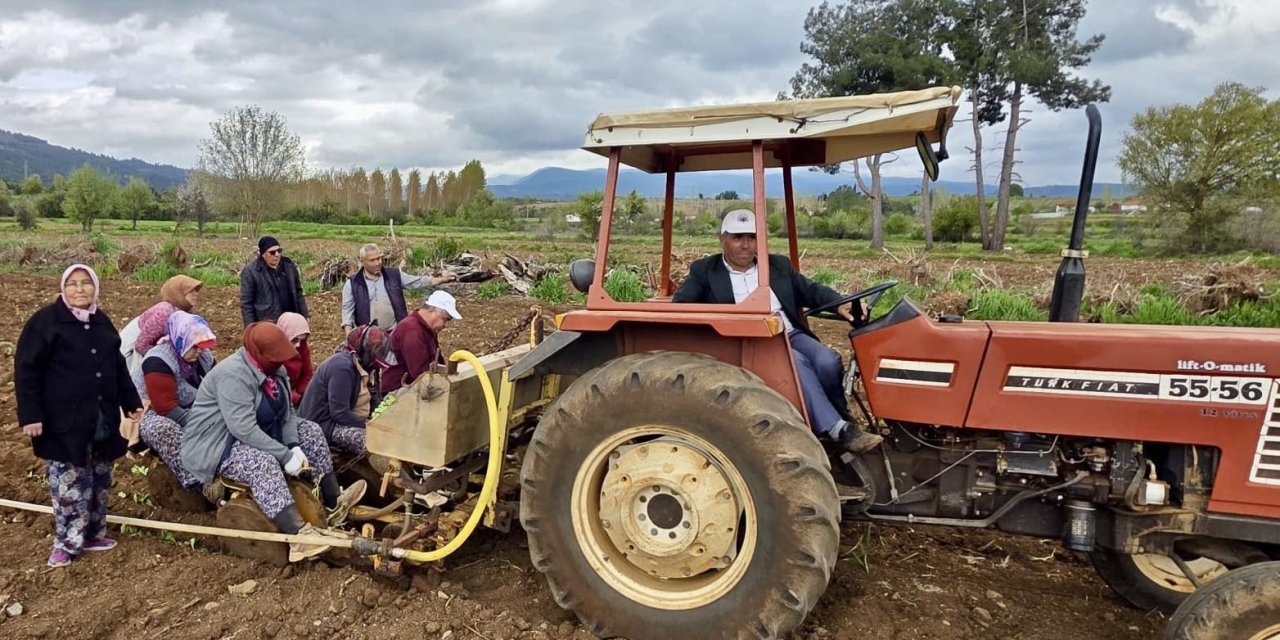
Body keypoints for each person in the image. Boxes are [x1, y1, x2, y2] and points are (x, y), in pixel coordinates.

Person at [673, 209, 883, 454]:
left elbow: (811, 290)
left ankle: (840, 415)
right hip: (750, 343)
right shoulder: (705, 271)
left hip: (790, 333)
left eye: (752, 237)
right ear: (723, 240)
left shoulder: (777, 265)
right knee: (797, 364)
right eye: (738, 237)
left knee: (828, 361)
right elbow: (682, 305)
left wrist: (841, 302)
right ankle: (837, 429)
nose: (745, 245)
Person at [180, 323, 364, 561]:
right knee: (262, 463)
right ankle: (299, 537)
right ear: (259, 354)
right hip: (217, 441)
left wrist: (293, 445)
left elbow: (287, 413)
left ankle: (333, 503)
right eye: (276, 358)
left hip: (262, 427)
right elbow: (242, 428)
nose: (281, 363)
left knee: (311, 431)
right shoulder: (232, 375)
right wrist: (284, 456)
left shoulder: (275, 370)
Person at [15, 264, 145, 568]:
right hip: (63, 422)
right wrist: (30, 415)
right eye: (73, 284)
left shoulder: (102, 323)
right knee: (68, 483)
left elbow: (117, 367)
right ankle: (66, 543)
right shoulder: (46, 323)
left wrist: (131, 402)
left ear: (95, 287)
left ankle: (93, 534)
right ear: (63, 288)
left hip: (100, 417)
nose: (79, 289)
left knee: (100, 477)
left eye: (86, 283)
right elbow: (26, 371)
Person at [134, 311, 218, 489]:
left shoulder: (203, 356)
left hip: (192, 408)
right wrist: (205, 426)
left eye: (202, 345)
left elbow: (219, 382)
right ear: (181, 340)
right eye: (194, 346)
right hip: (152, 413)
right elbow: (167, 409)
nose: (200, 350)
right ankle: (197, 480)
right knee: (163, 430)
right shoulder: (158, 361)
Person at [299, 325, 390, 456]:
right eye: (378, 351)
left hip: (347, 420)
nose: (380, 355)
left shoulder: (367, 366)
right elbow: (339, 413)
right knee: (373, 441)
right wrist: (370, 426)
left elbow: (374, 396)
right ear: (366, 349)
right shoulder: (342, 368)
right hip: (324, 425)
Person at [340, 243, 457, 334]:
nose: (377, 263)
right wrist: (350, 337)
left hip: (395, 333)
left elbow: (416, 281)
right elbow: (347, 313)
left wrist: (441, 279)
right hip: (368, 337)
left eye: (379, 258)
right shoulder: (352, 284)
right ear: (362, 262)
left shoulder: (394, 275)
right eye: (372, 260)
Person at [380, 291, 461, 396]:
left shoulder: (426, 328)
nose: (445, 325)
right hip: (397, 389)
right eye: (445, 320)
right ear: (432, 310)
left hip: (412, 384)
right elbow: (420, 372)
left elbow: (436, 361)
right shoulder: (411, 329)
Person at [239, 235, 309, 326]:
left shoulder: (289, 266)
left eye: (279, 251)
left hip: (291, 319)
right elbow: (246, 303)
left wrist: (304, 314)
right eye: (272, 252)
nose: (277, 254)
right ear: (263, 254)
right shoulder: (251, 272)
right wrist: (250, 328)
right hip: (268, 323)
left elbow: (298, 292)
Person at [135, 275, 204, 355]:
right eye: (191, 291)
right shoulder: (163, 313)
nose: (196, 294)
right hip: (134, 352)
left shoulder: (183, 311)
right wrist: (165, 357)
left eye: (196, 290)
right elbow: (141, 345)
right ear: (179, 293)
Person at [276, 312, 313, 407]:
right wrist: (296, 398)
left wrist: (303, 392)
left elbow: (307, 372)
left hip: (297, 391)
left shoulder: (302, 347)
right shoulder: (274, 353)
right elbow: (274, 385)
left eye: (302, 340)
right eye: (295, 340)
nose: (299, 345)